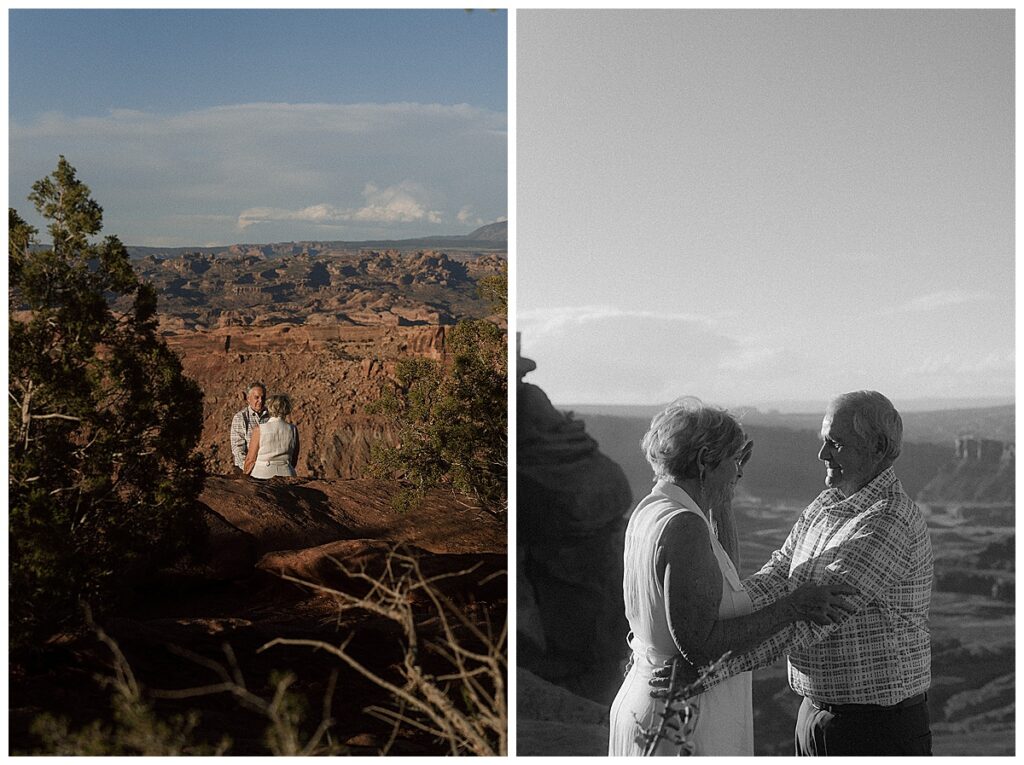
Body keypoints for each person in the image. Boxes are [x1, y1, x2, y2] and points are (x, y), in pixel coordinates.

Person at [677, 390, 934, 756]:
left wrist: (703, 669)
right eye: (823, 441)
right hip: (815, 715)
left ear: (877, 447)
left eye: (836, 443)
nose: (823, 454)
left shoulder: (888, 521)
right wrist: (710, 624)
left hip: (875, 728)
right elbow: (778, 576)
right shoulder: (827, 504)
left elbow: (806, 623)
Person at [608, 397, 855, 756]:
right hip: (684, 719)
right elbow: (704, 647)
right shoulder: (685, 527)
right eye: (734, 461)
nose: (739, 472)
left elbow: (726, 588)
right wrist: (794, 607)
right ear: (704, 460)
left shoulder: (654, 510)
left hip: (656, 703)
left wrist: (721, 501)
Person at [243, 393, 299, 479]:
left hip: (262, 474)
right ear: (287, 408)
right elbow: (294, 458)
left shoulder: (259, 429)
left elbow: (250, 459)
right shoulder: (293, 429)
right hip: (287, 473)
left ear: (269, 407)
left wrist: (245, 476)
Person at [230, 382, 269, 473]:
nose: (260, 401)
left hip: (267, 468)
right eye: (256, 397)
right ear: (248, 398)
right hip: (247, 469)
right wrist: (249, 468)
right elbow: (238, 448)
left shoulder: (271, 416)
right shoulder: (240, 418)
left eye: (263, 398)